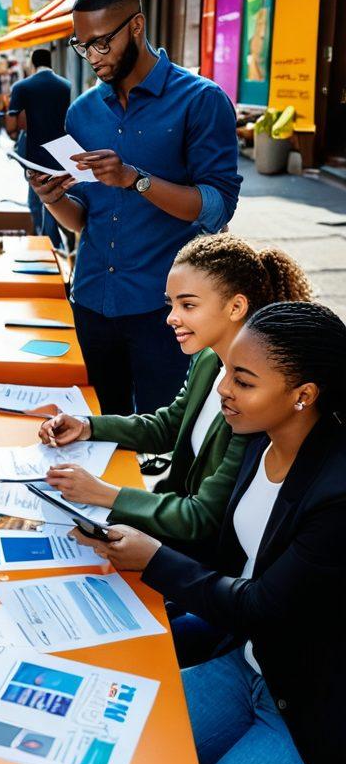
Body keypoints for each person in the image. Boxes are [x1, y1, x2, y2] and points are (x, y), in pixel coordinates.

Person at [80, 302, 346, 764]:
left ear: (305, 394)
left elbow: (261, 606)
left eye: (242, 380)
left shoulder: (337, 491)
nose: (222, 388)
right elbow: (226, 554)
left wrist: (153, 559)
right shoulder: (258, 436)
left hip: (314, 726)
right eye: (226, 371)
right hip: (247, 667)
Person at [29, 0, 241, 415]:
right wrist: (51, 198)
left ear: (137, 27)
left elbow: (217, 210)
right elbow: (85, 217)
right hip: (90, 299)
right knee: (98, 431)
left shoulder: (200, 100)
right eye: (81, 45)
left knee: (161, 442)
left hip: (163, 310)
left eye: (101, 43)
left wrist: (135, 179)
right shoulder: (83, 111)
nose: (92, 57)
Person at [41, 234, 312, 545]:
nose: (171, 317)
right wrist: (88, 426)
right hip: (169, 519)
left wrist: (104, 494)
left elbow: (203, 517)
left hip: (196, 550)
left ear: (236, 306)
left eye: (188, 305)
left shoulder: (255, 396)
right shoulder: (209, 358)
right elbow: (168, 425)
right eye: (171, 304)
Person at [5, 48, 73, 246]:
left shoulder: (22, 87)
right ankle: (57, 243)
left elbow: (11, 124)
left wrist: (16, 135)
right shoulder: (66, 85)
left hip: (35, 155)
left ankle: (49, 244)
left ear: (32, 63)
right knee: (58, 197)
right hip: (62, 154)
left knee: (37, 202)